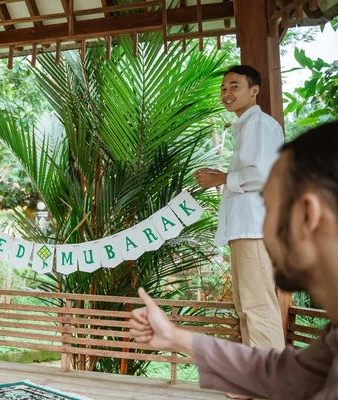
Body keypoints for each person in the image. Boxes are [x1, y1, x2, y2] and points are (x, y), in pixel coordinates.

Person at [130, 120, 338, 400]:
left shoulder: (261, 125)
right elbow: (287, 375)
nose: (263, 228)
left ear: (307, 215)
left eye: (267, 206)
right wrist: (173, 336)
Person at [193, 65, 285, 353]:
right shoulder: (245, 125)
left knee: (258, 305)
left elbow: (264, 175)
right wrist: (219, 176)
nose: (226, 93)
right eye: (223, 88)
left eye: (234, 86)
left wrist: (220, 179)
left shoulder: (259, 125)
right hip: (245, 229)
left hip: (255, 229)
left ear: (253, 90)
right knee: (246, 305)